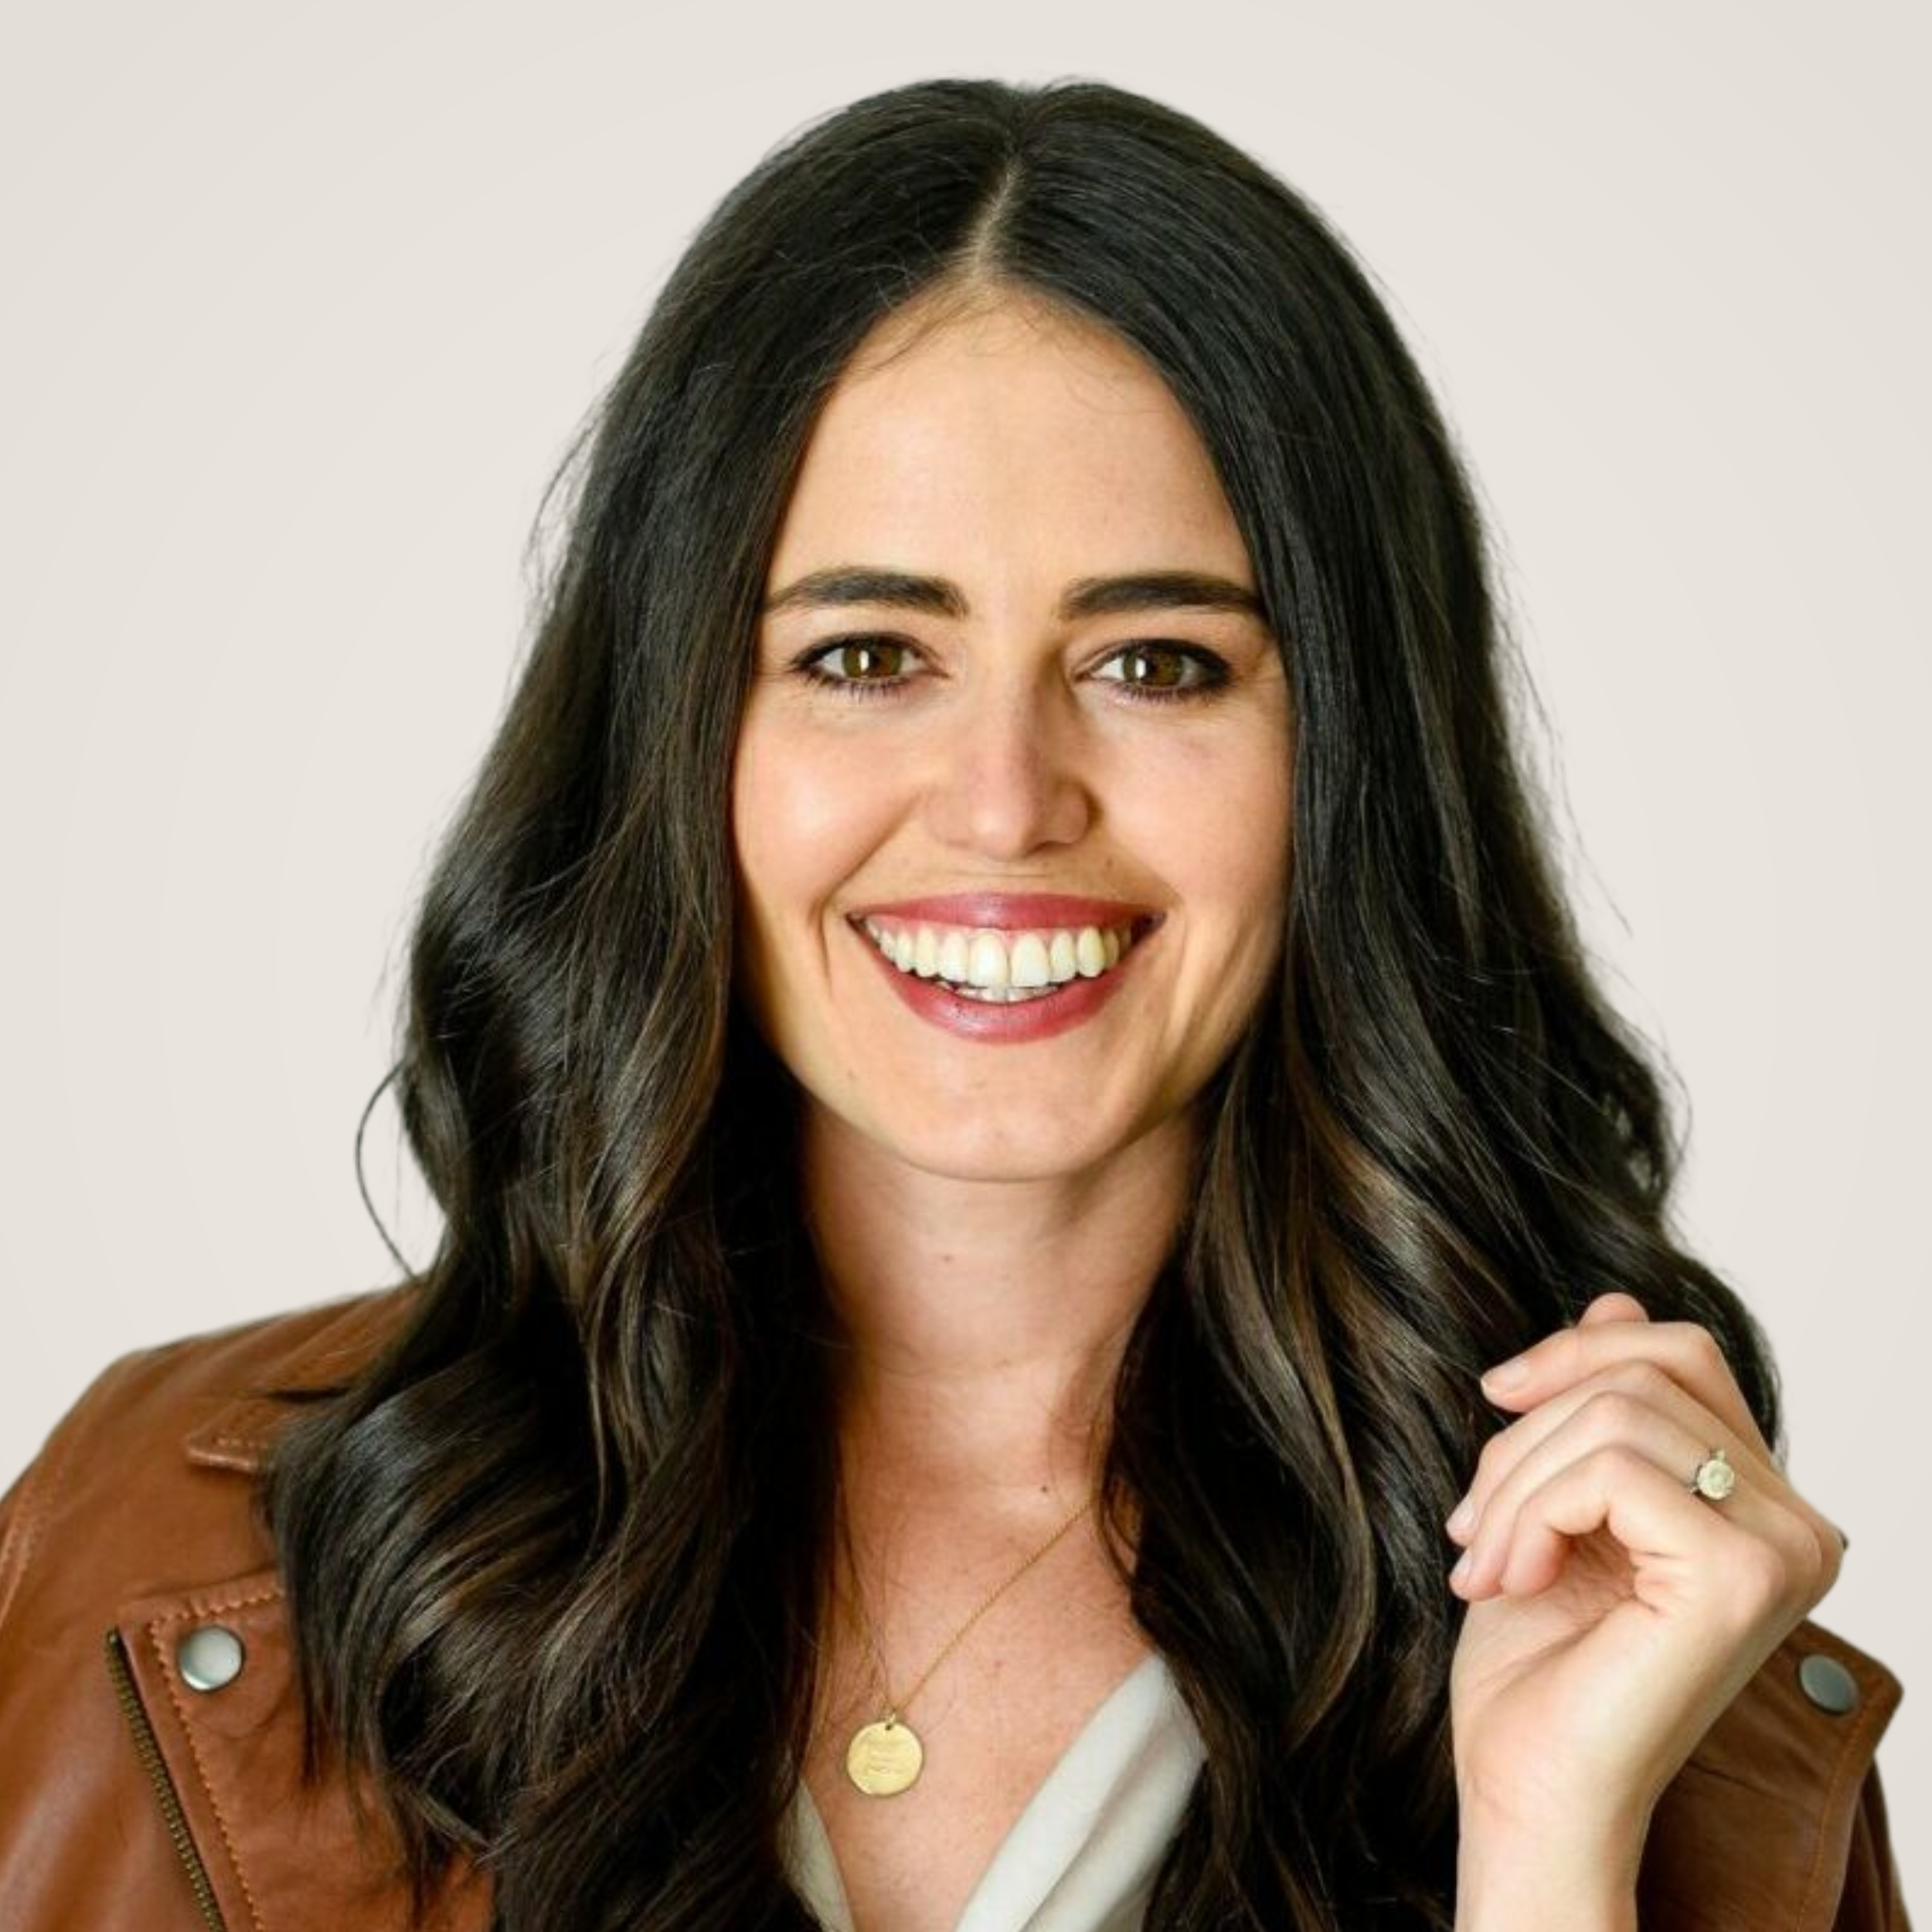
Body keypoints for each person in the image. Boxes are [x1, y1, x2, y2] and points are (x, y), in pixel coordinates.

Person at [0, 75, 1910, 1932]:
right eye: (864, 654)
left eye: (1157, 661)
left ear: (1346, 760)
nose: (1005, 799)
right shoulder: (160, 1551)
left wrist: (1552, 1859)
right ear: (676, 734)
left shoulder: (1656, 1662)